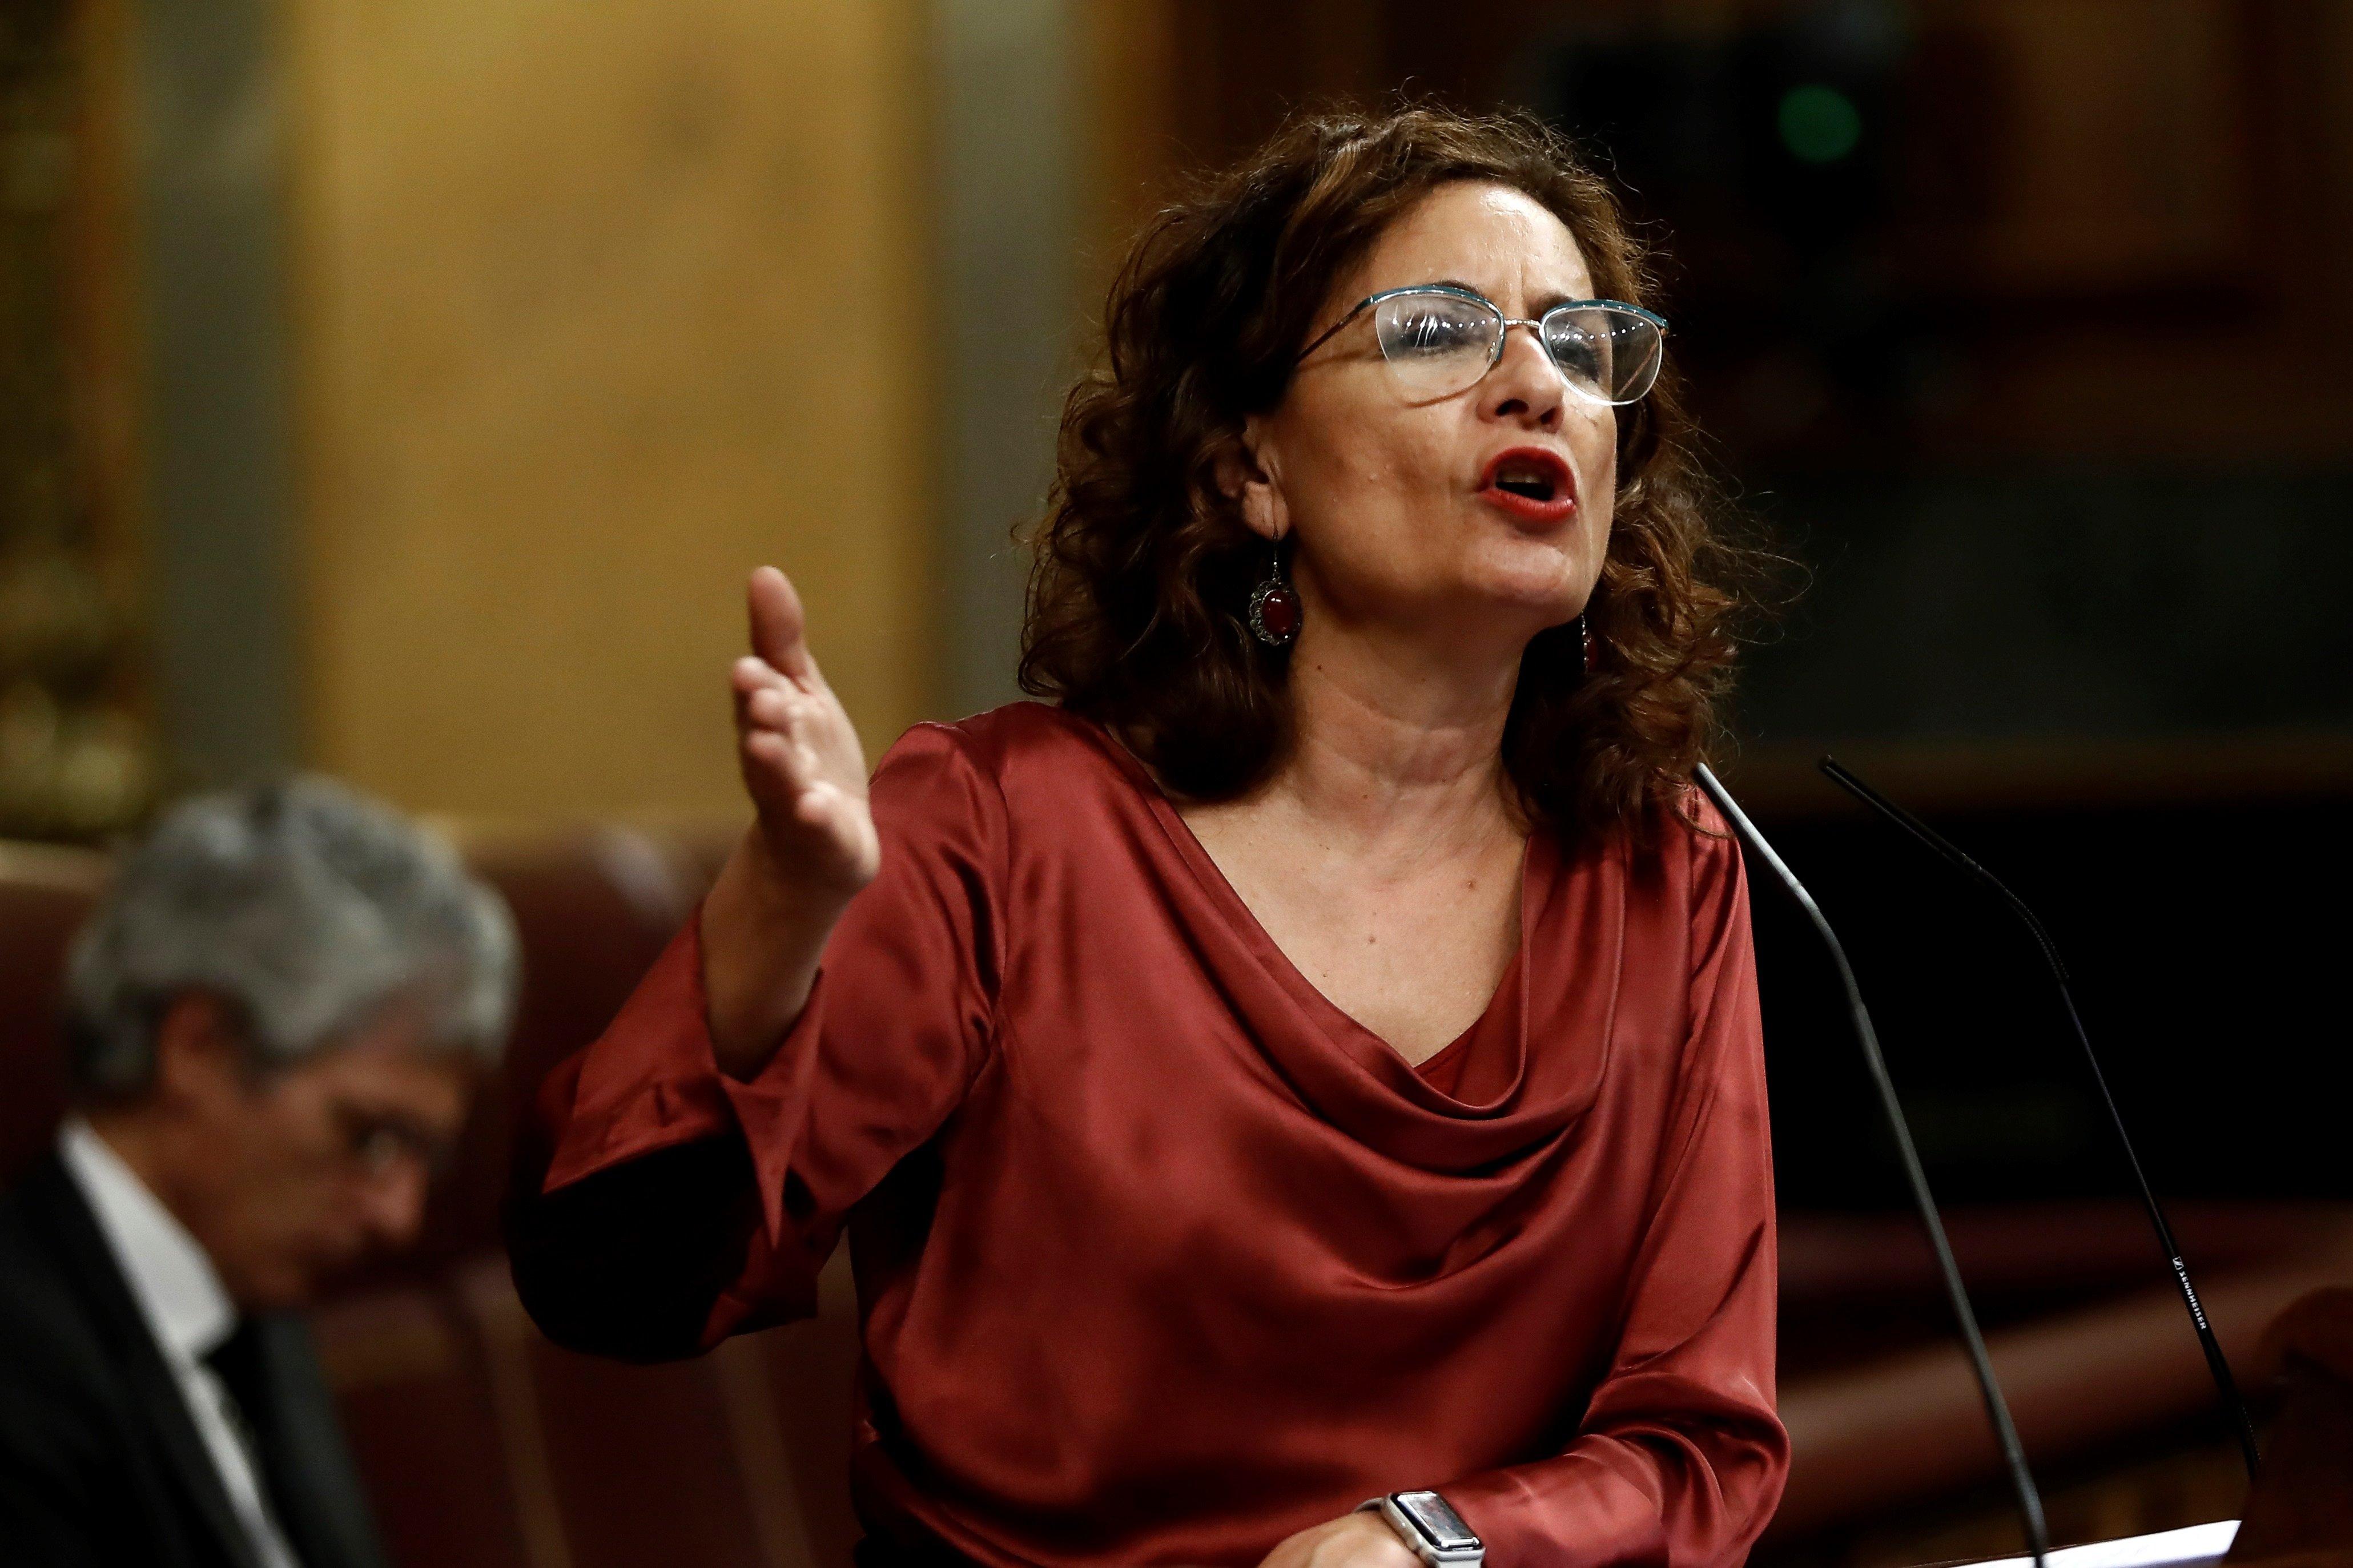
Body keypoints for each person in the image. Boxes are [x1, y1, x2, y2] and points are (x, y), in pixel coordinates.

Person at [512, 105, 1784, 1568]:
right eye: (1435, 331)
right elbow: (612, 1283)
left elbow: (1704, 1448)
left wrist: (1444, 1542)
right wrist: (783, 910)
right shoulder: (1009, 831)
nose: (1534, 387)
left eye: (1577, 345)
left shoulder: (1661, 870)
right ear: (1251, 468)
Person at [0, 777, 518, 1568]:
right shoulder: (23, 1363)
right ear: (198, 1050)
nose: (398, 1217)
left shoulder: (249, 1307)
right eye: (371, 1139)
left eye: (423, 1158)